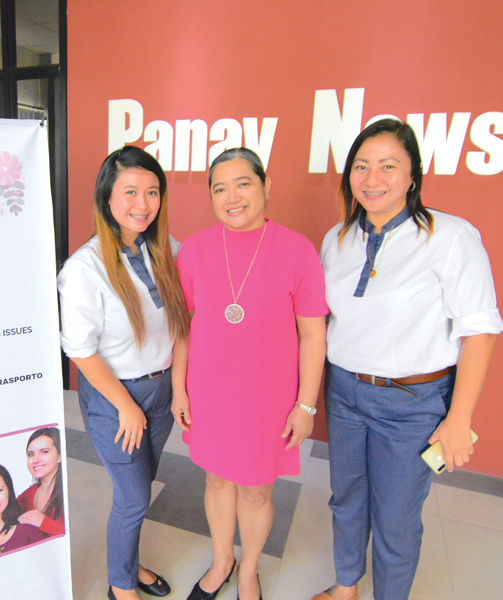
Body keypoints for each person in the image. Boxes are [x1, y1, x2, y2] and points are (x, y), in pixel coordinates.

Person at [314, 118, 503, 600]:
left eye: (387, 166)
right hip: (344, 392)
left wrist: (459, 419)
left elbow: (480, 332)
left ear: (413, 176)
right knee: (346, 501)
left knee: (396, 517)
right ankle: (345, 588)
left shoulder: (451, 236)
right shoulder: (337, 238)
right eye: (361, 166)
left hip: (413, 402)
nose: (372, 178)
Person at [172, 147, 328, 600]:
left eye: (243, 183)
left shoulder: (298, 251)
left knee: (257, 491)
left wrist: (305, 404)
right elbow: (183, 328)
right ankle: (223, 561)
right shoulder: (197, 249)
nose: (232, 197)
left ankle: (249, 571)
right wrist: (179, 389)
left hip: (268, 398)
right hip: (209, 392)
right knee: (216, 479)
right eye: (219, 188)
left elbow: (313, 336)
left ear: (265, 186)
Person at [58, 146, 190, 600]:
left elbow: (181, 326)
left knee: (139, 491)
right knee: (134, 498)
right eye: (130, 191)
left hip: (159, 394)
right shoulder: (84, 269)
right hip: (115, 400)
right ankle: (120, 586)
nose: (143, 203)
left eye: (152, 192)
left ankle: (128, 564)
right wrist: (126, 408)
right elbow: (80, 350)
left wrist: (177, 389)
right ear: (107, 199)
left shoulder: (166, 248)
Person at [17, 427, 65, 536]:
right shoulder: (30, 493)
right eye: (31, 454)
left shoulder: (66, 493)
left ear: (60, 456)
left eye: (44, 452)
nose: (35, 460)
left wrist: (43, 522)